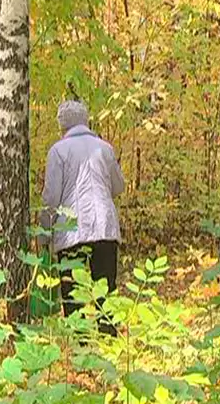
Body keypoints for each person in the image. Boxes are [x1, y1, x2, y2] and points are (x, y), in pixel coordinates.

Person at [40, 100, 125, 336]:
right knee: (105, 291)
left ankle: (79, 349)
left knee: (73, 295)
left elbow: (51, 198)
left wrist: (45, 232)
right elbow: (118, 186)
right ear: (85, 120)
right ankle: (109, 342)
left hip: (70, 232)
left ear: (62, 125)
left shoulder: (57, 151)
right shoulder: (104, 149)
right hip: (105, 227)